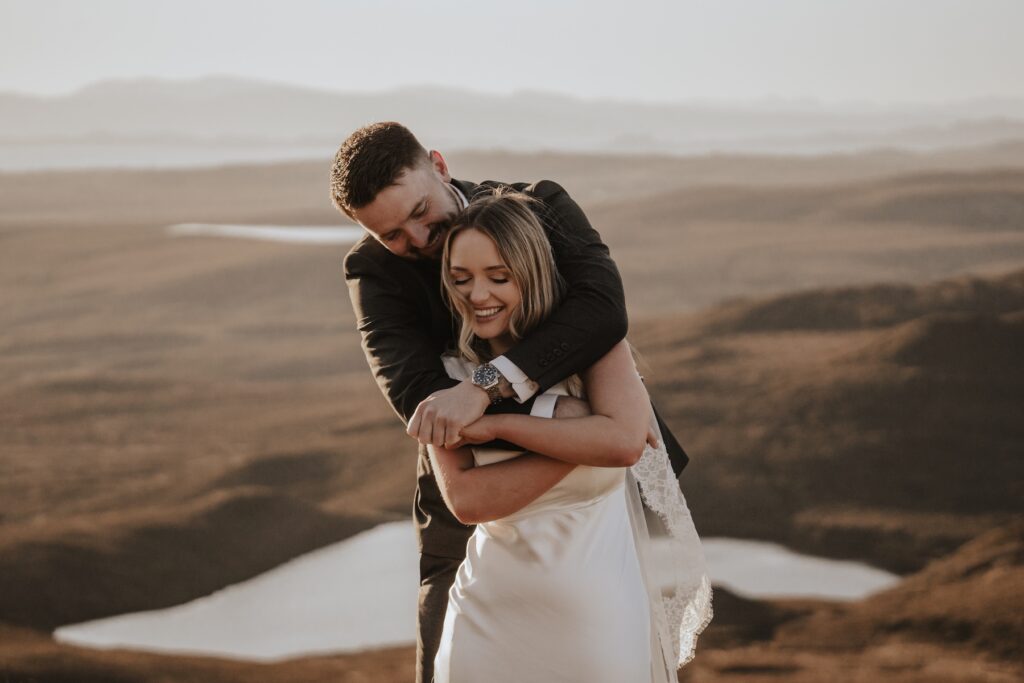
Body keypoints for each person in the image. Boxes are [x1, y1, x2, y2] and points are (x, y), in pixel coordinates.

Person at [330, 122, 691, 683]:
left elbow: (601, 310)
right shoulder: (373, 271)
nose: (419, 240)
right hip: (476, 481)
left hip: (604, 492)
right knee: (442, 646)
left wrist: (486, 388)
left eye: (421, 212)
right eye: (392, 235)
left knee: (629, 641)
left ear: (439, 165)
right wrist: (574, 423)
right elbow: (420, 397)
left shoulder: (540, 208)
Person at [429, 190, 711, 682]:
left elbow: (624, 445)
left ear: (533, 273)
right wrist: (583, 433)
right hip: (484, 624)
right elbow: (468, 502)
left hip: (596, 629)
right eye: (461, 279)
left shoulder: (598, 351)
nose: (477, 294)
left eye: (498, 277)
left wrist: (497, 424)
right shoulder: (445, 374)